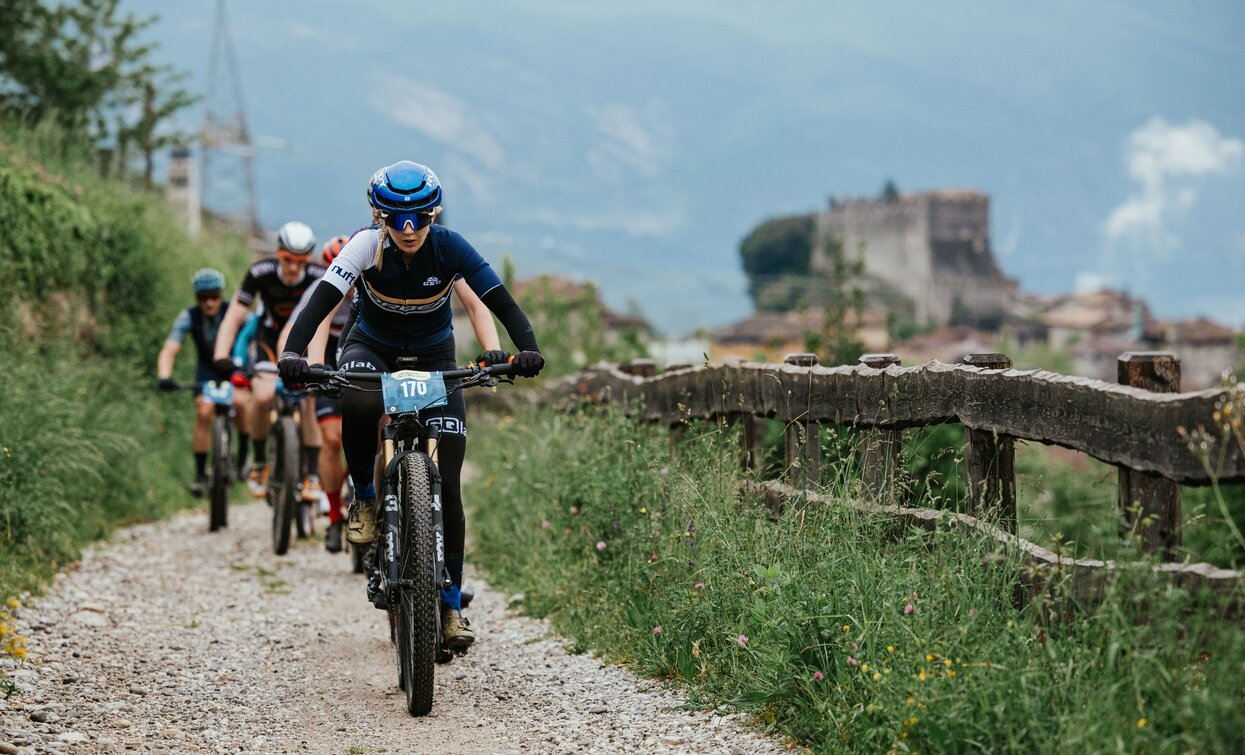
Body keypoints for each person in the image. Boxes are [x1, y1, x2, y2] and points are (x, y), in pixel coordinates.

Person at [278, 161, 544, 651]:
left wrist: (525, 347)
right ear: (379, 217)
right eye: (397, 219)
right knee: (356, 400)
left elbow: (497, 298)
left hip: (435, 356)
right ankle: (363, 497)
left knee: (452, 482)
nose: (408, 230)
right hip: (371, 348)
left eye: (419, 218)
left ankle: (450, 607)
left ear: (433, 214)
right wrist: (293, 354)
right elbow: (321, 302)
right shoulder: (364, 245)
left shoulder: (450, 245)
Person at [281, 233, 508, 554]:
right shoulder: (366, 257)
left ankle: (436, 552)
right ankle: (362, 497)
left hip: (428, 351)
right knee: (359, 414)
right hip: (367, 347)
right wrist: (315, 364)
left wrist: (493, 352)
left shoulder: (443, 255)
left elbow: (475, 303)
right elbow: (321, 316)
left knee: (441, 469)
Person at [212, 222, 326, 500]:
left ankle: (312, 473)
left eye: (300, 262)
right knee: (262, 397)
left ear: (308, 259)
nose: (292, 268)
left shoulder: (319, 275)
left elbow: (324, 319)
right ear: (278, 253)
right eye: (287, 260)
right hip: (268, 338)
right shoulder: (259, 273)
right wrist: (221, 353)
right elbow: (234, 316)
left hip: (304, 339)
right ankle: (260, 463)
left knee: (309, 399)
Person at [156, 268, 251, 496]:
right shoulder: (188, 316)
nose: (209, 303)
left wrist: (252, 367)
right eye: (203, 298)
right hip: (206, 371)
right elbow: (170, 348)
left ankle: (245, 456)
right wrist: (164, 376)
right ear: (196, 298)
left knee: (240, 404)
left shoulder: (234, 312)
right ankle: (200, 474)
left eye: (214, 297)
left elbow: (252, 337)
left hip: (234, 367)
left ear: (221, 294)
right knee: (204, 411)